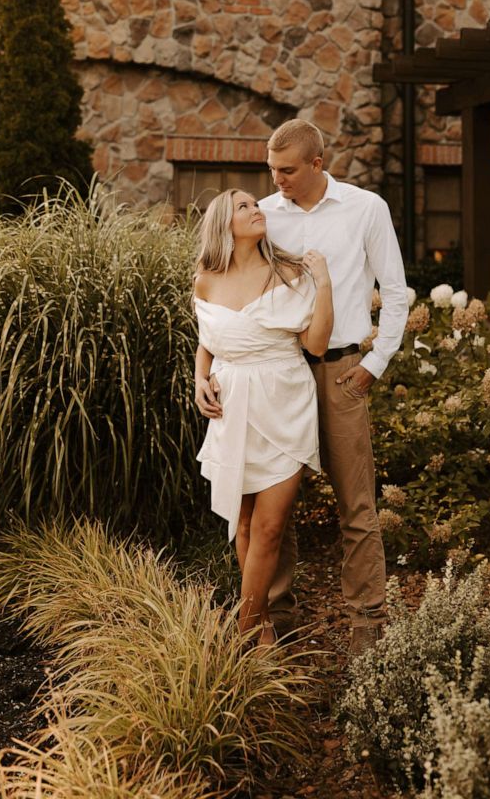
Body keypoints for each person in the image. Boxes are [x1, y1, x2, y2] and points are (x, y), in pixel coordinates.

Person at [261, 119, 408, 656]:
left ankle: (368, 628)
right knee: (274, 502)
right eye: (272, 170)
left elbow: (395, 291)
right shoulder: (263, 214)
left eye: (288, 170)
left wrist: (377, 361)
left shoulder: (365, 209)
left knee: (357, 508)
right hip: (279, 371)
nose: (277, 180)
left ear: (318, 163)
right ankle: (280, 620)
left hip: (343, 370)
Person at [193, 188, 333, 646]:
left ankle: (242, 632)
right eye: (244, 206)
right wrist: (200, 379)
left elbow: (314, 345)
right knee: (245, 524)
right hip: (232, 407)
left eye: (257, 204)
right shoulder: (206, 280)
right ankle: (265, 624)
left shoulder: (289, 273)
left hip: (284, 402)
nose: (257, 210)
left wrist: (324, 283)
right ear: (223, 223)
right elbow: (210, 338)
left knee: (271, 525)